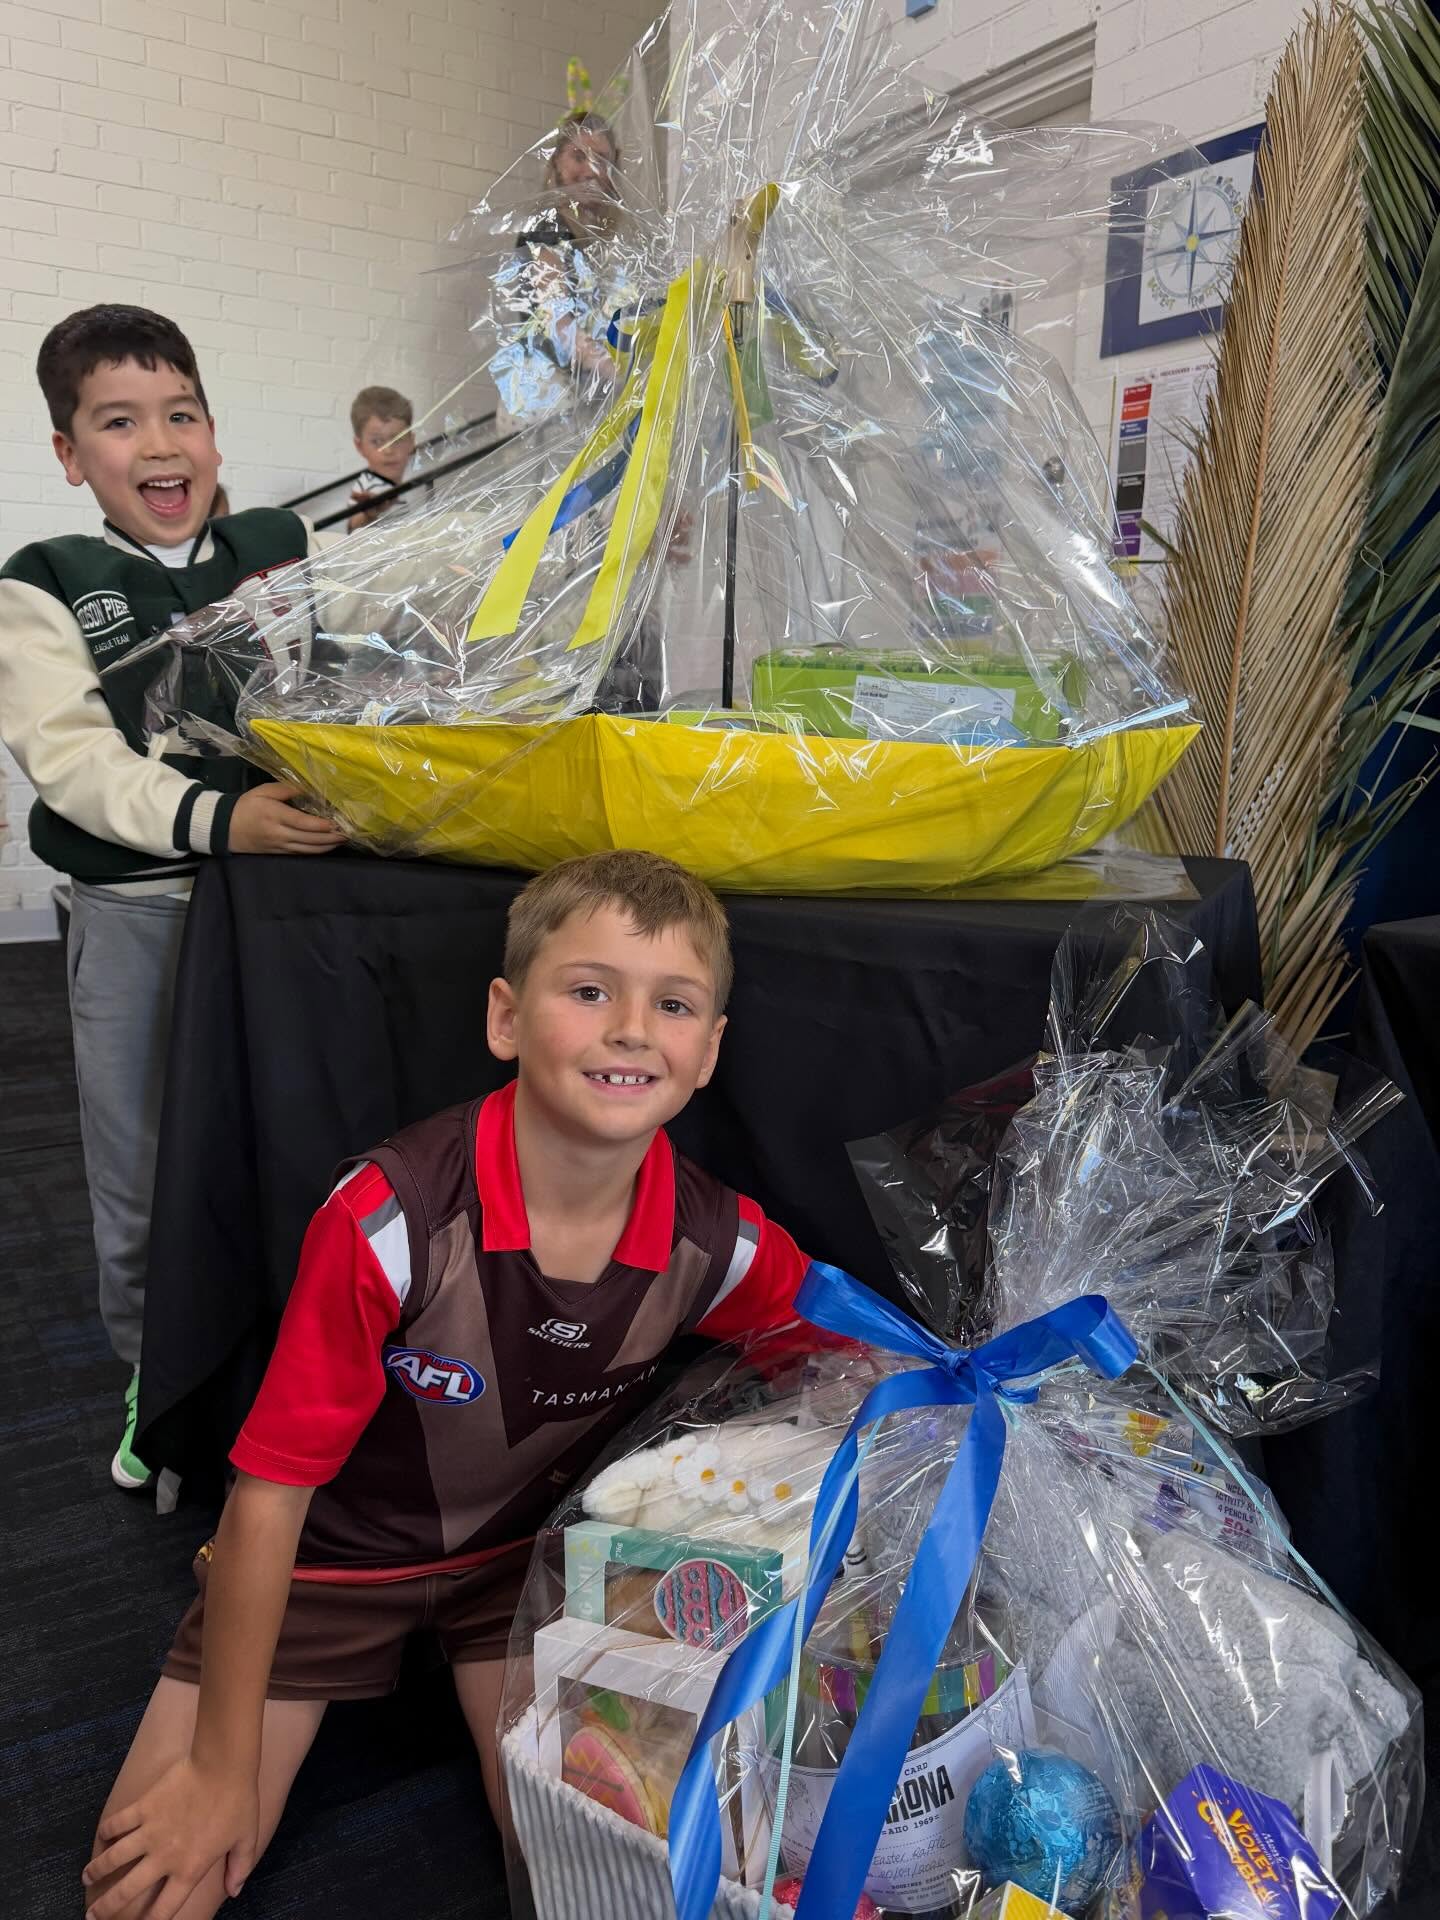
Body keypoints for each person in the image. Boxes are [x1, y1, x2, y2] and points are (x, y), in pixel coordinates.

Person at [82, 849, 824, 1920]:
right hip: (322, 1574)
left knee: (614, 1873)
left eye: (671, 1004)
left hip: (520, 1581)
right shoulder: (387, 1220)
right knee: (159, 1881)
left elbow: (853, 1360)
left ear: (707, 1053)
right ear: (506, 1018)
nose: (628, 1028)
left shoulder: (721, 1241)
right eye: (587, 990)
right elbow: (269, 1501)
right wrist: (214, 1770)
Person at [0, 305, 346, 1491]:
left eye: (181, 413)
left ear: (212, 428)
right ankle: (159, 1379)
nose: (160, 443)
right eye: (119, 420)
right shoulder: (47, 581)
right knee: (144, 1171)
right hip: (143, 914)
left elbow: (326, 689)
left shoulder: (275, 542)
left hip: (288, 913)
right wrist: (219, 820)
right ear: (69, 453)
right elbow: (75, 764)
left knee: (295, 1145)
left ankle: (287, 1371)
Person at [347, 385, 417, 531]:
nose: (389, 450)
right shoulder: (368, 487)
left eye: (397, 439)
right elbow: (353, 526)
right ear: (360, 447)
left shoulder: (400, 486)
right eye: (377, 441)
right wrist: (369, 514)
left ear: (411, 441)